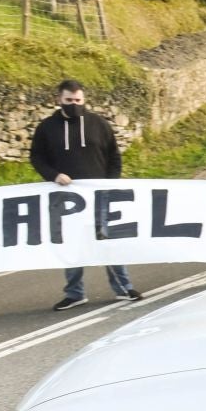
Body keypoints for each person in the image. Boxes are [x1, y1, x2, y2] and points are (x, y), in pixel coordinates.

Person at [29, 79, 141, 311]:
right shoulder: (47, 128)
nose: (74, 104)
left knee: (107, 239)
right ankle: (74, 293)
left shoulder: (99, 124)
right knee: (72, 243)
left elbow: (114, 156)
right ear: (59, 99)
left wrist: (109, 185)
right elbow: (37, 157)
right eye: (69, 100)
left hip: (99, 195)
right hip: (65, 196)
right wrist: (54, 175)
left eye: (78, 100)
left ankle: (123, 287)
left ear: (84, 100)